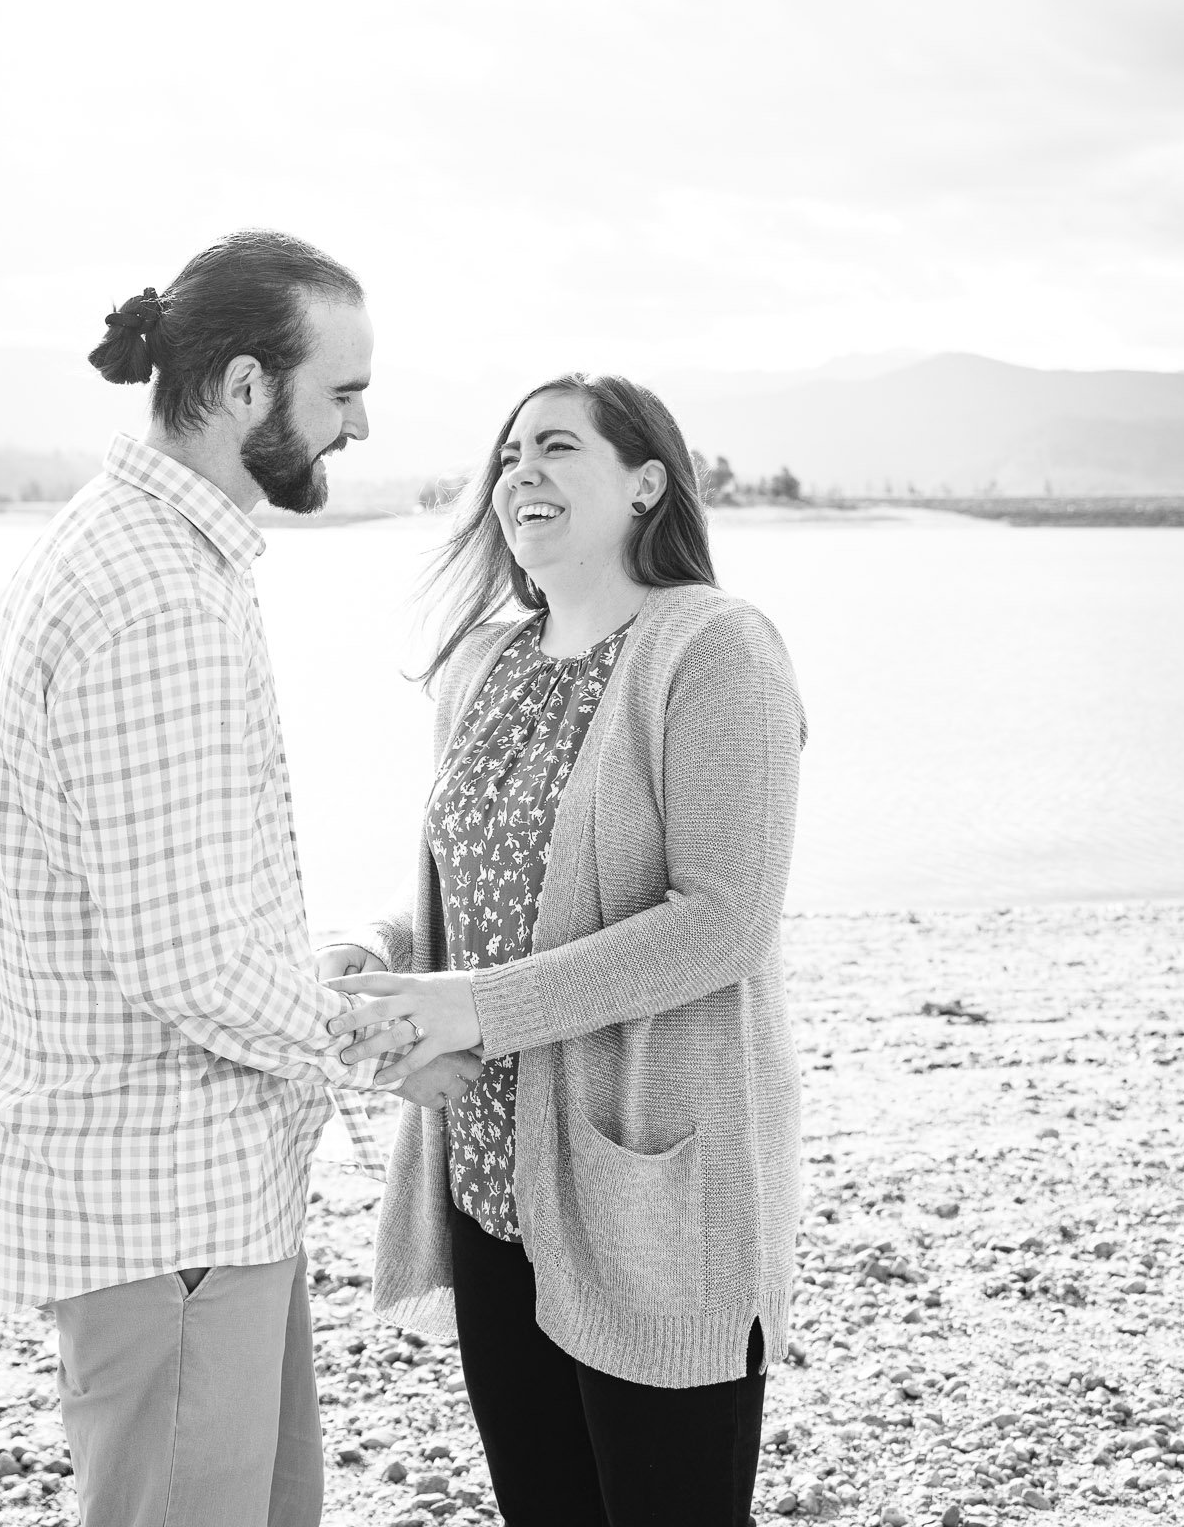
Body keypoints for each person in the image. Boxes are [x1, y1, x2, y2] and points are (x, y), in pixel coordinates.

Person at [0, 228, 479, 1527]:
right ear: (246, 388)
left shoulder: (161, 554)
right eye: (342, 393)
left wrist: (318, 983)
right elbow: (187, 962)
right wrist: (385, 1049)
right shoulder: (147, 591)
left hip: (202, 1194)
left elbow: (182, 914)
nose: (359, 426)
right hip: (168, 1207)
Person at [322, 372, 807, 1527]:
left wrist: (471, 1007)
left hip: (653, 1177)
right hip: (489, 1182)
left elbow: (722, 916)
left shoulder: (714, 646)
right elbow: (474, 886)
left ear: (646, 481)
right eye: (505, 455)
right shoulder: (482, 663)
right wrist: (364, 947)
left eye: (555, 446)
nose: (518, 471)